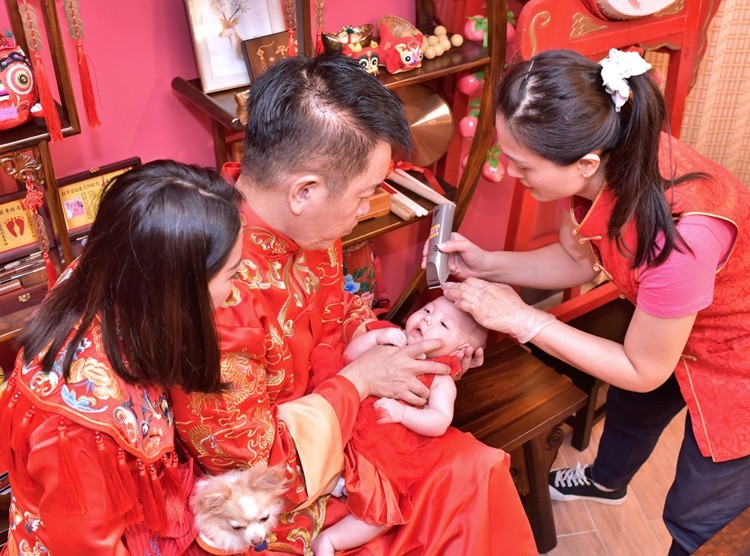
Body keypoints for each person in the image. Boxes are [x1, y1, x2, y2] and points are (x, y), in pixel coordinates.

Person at [170, 54, 537, 555]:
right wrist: (361, 379)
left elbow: (340, 306)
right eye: (364, 195)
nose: (365, 210)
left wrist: (408, 348)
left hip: (357, 429)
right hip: (283, 493)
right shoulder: (215, 284)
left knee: (477, 468)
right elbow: (250, 468)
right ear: (304, 191)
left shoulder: (306, 223)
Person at [437, 48, 750, 555]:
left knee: (700, 514)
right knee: (631, 409)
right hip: (679, 324)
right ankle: (606, 481)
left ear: (584, 164)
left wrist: (522, 319)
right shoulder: (609, 152)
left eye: (522, 164)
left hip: (739, 360)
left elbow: (643, 367)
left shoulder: (679, 241)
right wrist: (487, 264)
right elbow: (579, 261)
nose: (510, 172)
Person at [0, 160, 243, 555]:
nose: (235, 292)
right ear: (179, 290)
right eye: (231, 274)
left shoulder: (111, 277)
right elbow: (88, 547)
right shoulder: (79, 426)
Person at [311, 295, 488, 556]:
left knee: (382, 512)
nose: (428, 319)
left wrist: (404, 413)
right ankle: (331, 480)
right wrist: (375, 339)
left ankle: (330, 540)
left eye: (443, 324)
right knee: (319, 437)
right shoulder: (392, 337)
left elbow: (439, 420)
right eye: (427, 310)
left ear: (459, 351)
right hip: (346, 418)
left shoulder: (440, 377)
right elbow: (348, 356)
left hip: (384, 448)